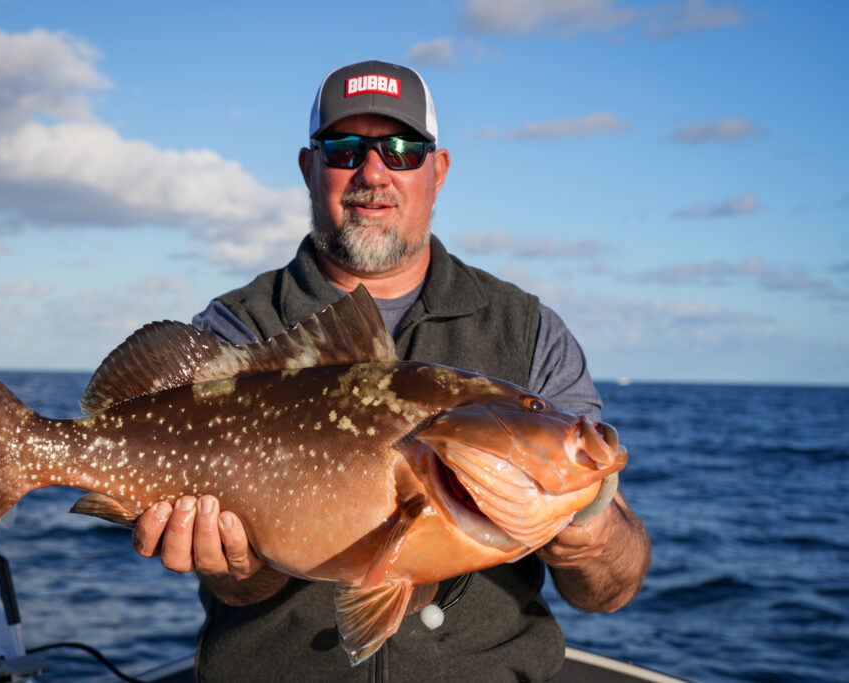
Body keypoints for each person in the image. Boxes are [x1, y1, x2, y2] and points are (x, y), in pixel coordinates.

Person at [131, 60, 651, 681]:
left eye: (402, 150)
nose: (372, 172)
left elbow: (608, 593)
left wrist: (590, 527)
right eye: (344, 149)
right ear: (309, 168)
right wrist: (240, 570)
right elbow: (240, 591)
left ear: (440, 169)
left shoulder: (530, 333)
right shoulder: (238, 328)